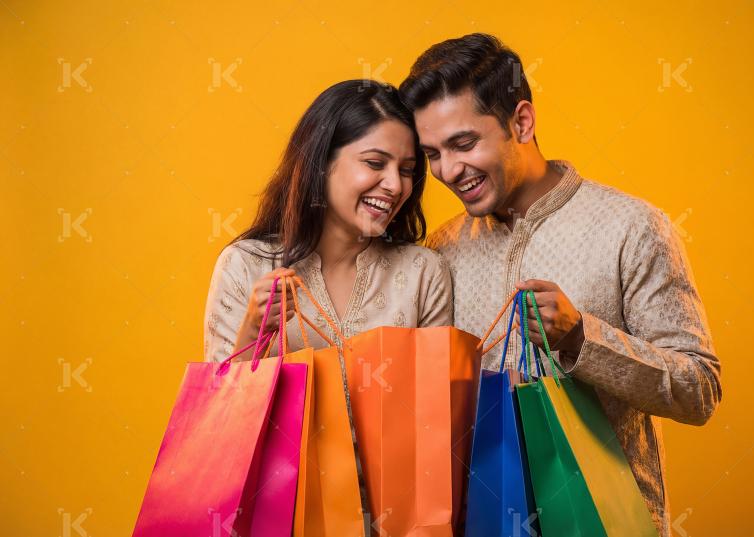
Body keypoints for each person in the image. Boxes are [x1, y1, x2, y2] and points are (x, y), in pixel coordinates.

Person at [399, 33, 722, 536]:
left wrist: (581, 338)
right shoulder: (440, 252)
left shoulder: (630, 227)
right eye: (433, 153)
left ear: (521, 121)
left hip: (609, 522)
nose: (449, 170)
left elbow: (698, 390)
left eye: (464, 143)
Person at [203, 79, 452, 364]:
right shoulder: (246, 266)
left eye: (406, 170)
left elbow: (435, 400)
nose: (395, 186)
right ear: (320, 163)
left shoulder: (423, 273)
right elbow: (220, 404)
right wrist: (252, 332)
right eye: (374, 163)